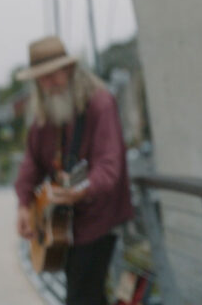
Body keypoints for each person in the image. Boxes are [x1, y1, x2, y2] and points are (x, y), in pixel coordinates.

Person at [13, 35, 134, 305]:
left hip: (99, 219)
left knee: (81, 296)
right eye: (41, 78)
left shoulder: (100, 104)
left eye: (53, 75)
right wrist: (23, 204)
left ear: (69, 69)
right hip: (65, 224)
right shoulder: (45, 113)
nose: (49, 84)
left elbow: (109, 166)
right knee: (88, 296)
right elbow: (30, 163)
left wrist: (81, 190)